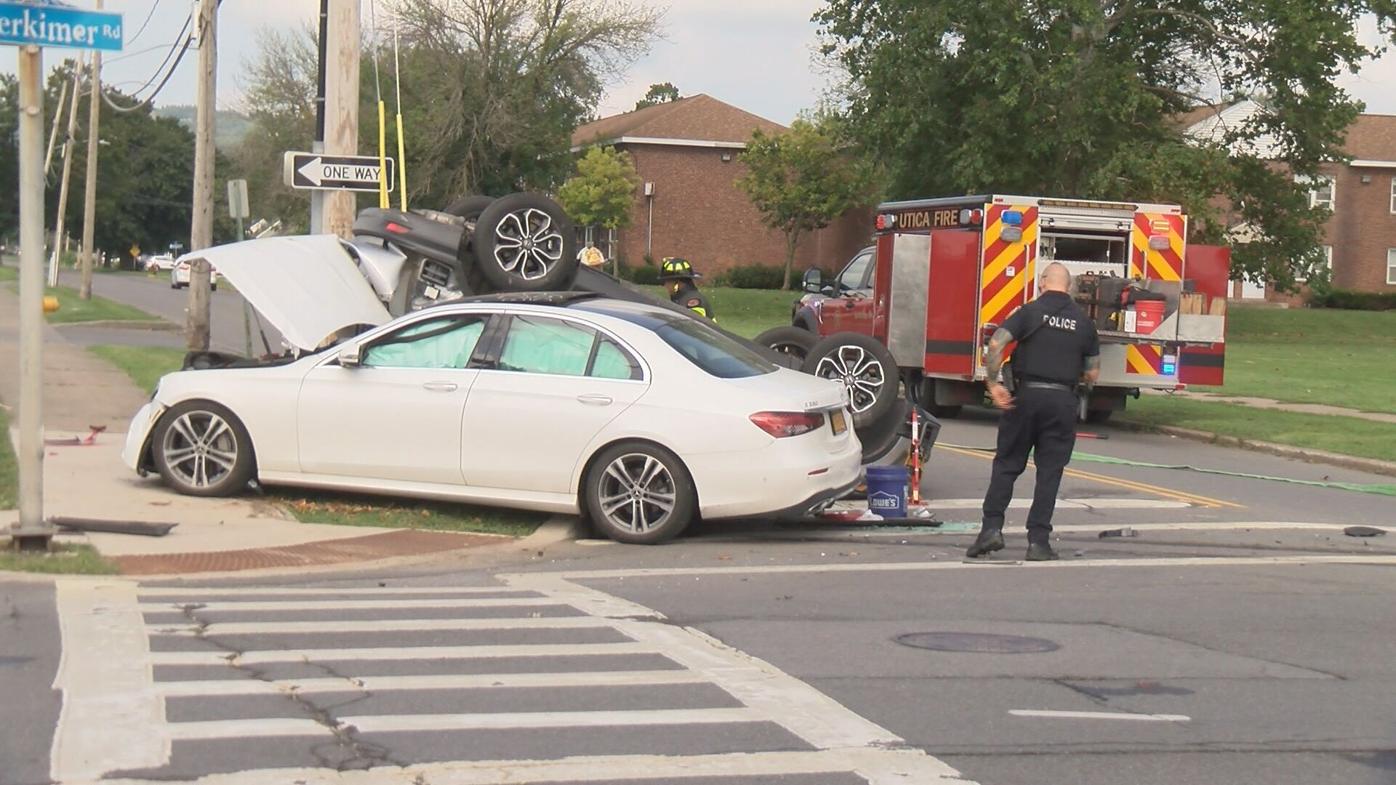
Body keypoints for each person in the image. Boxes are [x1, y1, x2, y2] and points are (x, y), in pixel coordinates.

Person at [968, 262, 1100, 561]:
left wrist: (993, 383)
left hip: (1025, 398)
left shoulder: (1028, 313)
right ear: (1069, 287)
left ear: (1043, 283)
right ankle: (1038, 542)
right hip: (1062, 402)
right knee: (1049, 473)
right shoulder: (1084, 323)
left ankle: (991, 530)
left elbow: (997, 342)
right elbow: (1093, 374)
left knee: (1007, 465)